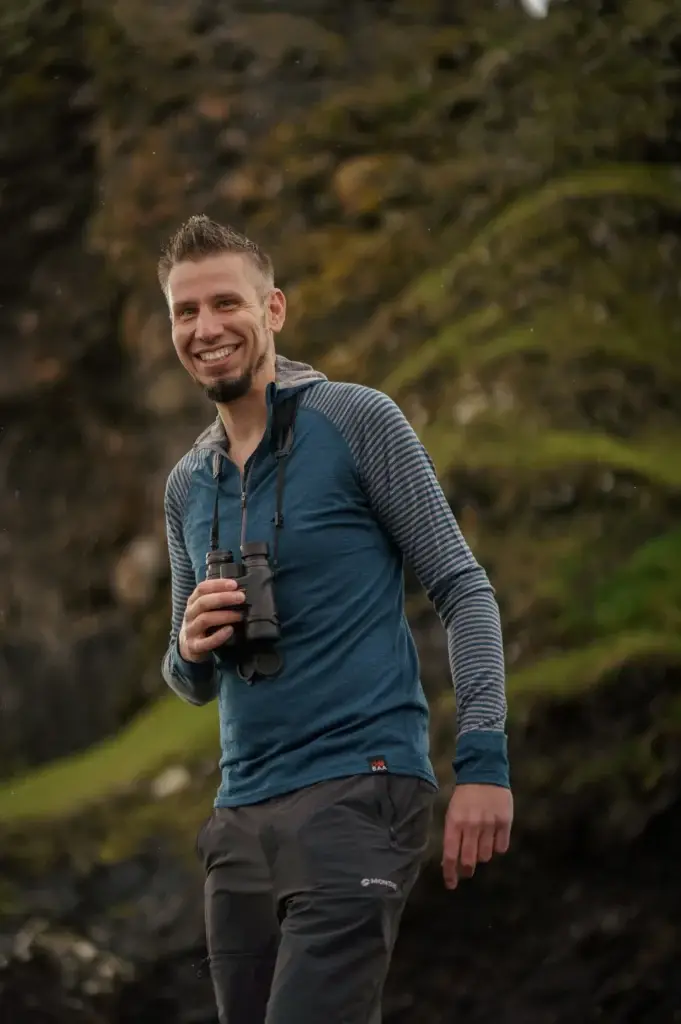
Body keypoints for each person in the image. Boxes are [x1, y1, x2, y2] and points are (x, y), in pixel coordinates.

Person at [158, 214, 513, 1024]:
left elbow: (464, 587)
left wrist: (485, 763)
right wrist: (188, 646)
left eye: (226, 304)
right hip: (240, 815)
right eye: (185, 312)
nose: (206, 329)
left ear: (273, 309)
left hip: (361, 789)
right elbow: (187, 682)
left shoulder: (357, 420)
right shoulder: (186, 486)